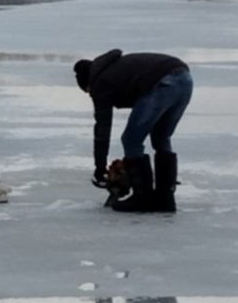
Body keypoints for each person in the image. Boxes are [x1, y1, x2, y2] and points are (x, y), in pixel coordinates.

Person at [73, 50, 192, 212]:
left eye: (89, 92)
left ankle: (142, 197)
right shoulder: (113, 69)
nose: (92, 96)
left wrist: (100, 167)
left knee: (131, 140)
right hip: (185, 80)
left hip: (162, 83)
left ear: (88, 84)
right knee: (161, 136)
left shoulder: (100, 82)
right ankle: (165, 199)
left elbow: (102, 128)